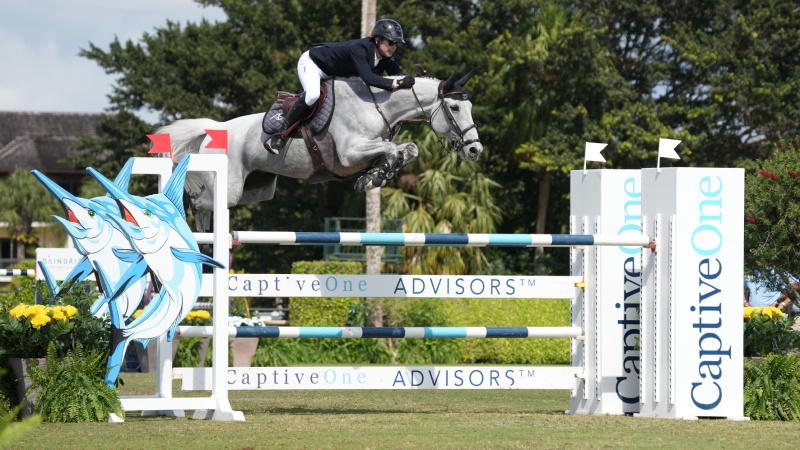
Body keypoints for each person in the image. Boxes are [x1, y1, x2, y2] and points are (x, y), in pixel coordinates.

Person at [265, 18, 415, 154]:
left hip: (332, 74)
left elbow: (399, 76)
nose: (394, 47)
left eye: (397, 44)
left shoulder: (385, 57)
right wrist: (398, 83)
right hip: (313, 64)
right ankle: (280, 134)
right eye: (391, 42)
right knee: (313, 95)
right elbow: (369, 79)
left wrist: (416, 81)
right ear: (377, 40)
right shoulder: (360, 49)